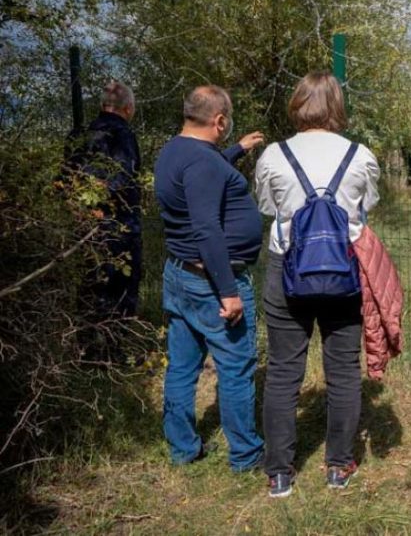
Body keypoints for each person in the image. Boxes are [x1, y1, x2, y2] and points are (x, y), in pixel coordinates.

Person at [254, 71, 380, 498]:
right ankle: (339, 466)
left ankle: (279, 473)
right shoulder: (360, 155)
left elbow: (267, 206)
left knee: (285, 370)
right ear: (337, 106)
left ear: (297, 103)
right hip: (344, 270)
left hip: (287, 268)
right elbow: (366, 209)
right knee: (343, 370)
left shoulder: (273, 154)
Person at [153, 85, 266, 471]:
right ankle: (246, 456)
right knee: (236, 368)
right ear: (219, 120)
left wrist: (237, 150)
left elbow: (205, 175)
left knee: (182, 366)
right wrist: (229, 292)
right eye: (226, 124)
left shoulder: (175, 150)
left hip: (180, 275)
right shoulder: (203, 163)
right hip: (210, 281)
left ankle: (183, 448)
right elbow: (206, 229)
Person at [64, 81, 142, 360]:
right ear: (128, 108)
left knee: (89, 284)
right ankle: (112, 351)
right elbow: (123, 178)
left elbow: (65, 179)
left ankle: (85, 347)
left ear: (102, 105)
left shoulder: (81, 133)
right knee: (121, 288)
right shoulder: (121, 134)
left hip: (84, 227)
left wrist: (81, 210)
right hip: (119, 227)